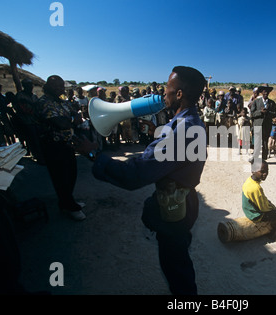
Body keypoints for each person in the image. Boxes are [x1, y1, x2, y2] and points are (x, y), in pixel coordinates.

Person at [75, 66, 207, 295]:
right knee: (178, 259)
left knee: (176, 269)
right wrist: (159, 131)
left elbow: (135, 175)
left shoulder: (181, 130)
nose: (162, 93)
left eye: (167, 88)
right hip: (184, 201)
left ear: (178, 95)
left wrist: (94, 155)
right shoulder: (191, 121)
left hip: (175, 208)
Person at [36, 75, 86, 221]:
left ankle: (67, 201)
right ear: (48, 87)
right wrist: (73, 119)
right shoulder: (44, 102)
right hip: (53, 146)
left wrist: (74, 115)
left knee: (71, 174)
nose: (61, 89)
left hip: (66, 144)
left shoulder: (61, 102)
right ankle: (69, 207)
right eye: (57, 86)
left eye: (62, 86)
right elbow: (60, 123)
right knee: (61, 177)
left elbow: (74, 111)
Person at [241, 160, 276, 241]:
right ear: (253, 171)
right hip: (256, 215)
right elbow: (264, 209)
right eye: (262, 171)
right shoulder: (256, 188)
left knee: (271, 205)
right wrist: (274, 209)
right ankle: (273, 234)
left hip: (249, 210)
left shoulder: (249, 181)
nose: (265, 174)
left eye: (267, 171)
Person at [14, 79, 45, 164]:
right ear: (24, 86)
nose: (30, 87)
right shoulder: (20, 96)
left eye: (31, 85)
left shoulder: (34, 96)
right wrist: (33, 109)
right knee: (32, 140)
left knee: (39, 139)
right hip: (27, 121)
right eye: (28, 85)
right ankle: (37, 156)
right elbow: (24, 109)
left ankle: (41, 155)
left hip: (36, 121)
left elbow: (39, 107)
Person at [249, 86, 276, 161]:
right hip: (257, 125)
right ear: (261, 92)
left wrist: (267, 112)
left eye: (267, 91)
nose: (266, 93)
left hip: (267, 125)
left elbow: (275, 114)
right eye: (264, 91)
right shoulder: (256, 101)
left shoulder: (272, 103)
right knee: (257, 143)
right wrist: (260, 112)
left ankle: (264, 159)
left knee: (265, 143)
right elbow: (252, 114)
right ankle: (255, 158)